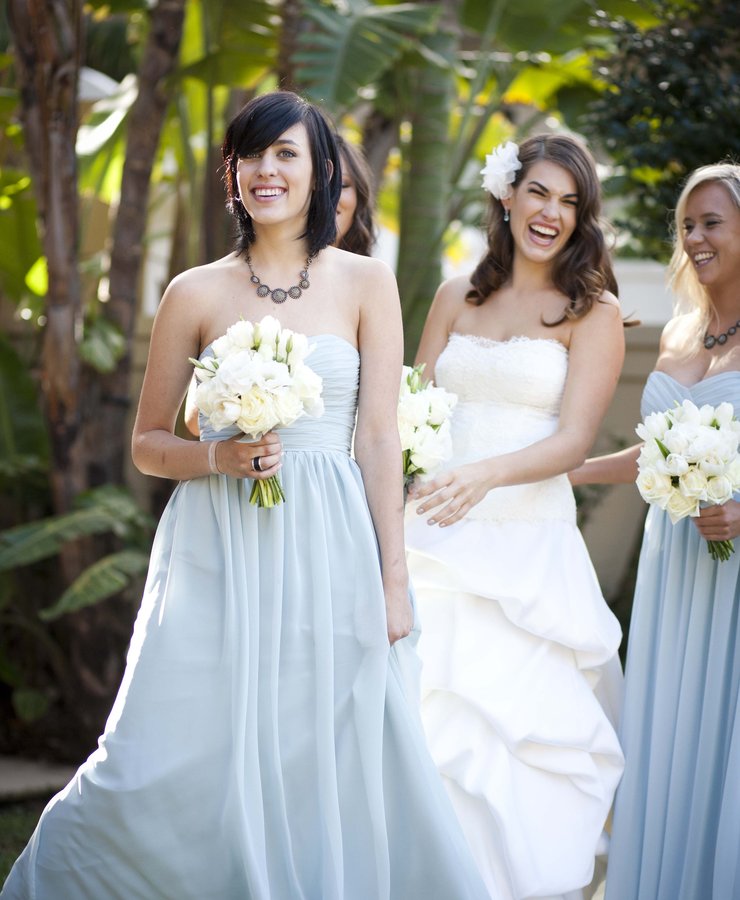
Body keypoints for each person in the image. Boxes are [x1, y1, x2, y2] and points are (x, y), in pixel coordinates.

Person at [1, 91, 489, 900]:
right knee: (165, 745)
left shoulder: (367, 282)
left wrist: (393, 579)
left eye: (286, 154)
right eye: (253, 155)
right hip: (216, 546)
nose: (268, 170)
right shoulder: (193, 292)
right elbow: (150, 444)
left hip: (331, 544)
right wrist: (219, 458)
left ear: (318, 168)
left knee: (323, 741)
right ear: (233, 176)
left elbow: (375, 439)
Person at [404, 133, 626, 899]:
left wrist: (486, 476)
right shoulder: (450, 296)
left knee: (512, 742)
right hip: (431, 537)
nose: (551, 214)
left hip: (527, 553)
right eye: (539, 193)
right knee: (422, 729)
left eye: (569, 202)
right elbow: (411, 409)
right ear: (507, 195)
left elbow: (573, 440)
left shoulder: (590, 313)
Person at [570, 162, 740, 900]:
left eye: (712, 222)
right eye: (687, 225)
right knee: (669, 740)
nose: (695, 237)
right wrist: (556, 472)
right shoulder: (678, 333)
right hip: (674, 569)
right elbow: (653, 455)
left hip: (730, 567)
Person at [182, 131, 375, 436]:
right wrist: (251, 391)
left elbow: (378, 431)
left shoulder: (370, 283)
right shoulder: (215, 286)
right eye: (254, 155)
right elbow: (195, 419)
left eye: (344, 186)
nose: (332, 194)